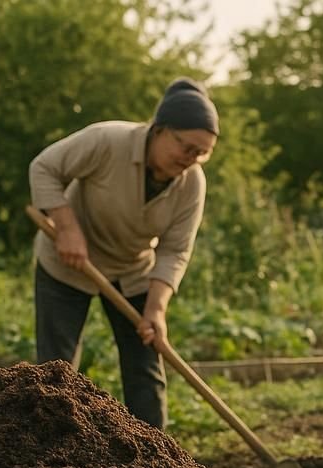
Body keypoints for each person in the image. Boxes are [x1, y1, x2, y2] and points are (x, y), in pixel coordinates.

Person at [30, 77, 218, 430]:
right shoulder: (107, 140)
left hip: (133, 269)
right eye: (186, 147)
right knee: (56, 367)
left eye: (201, 153)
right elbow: (44, 168)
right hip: (68, 261)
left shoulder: (192, 183)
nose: (191, 159)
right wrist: (67, 229)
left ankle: (156, 459)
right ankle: (51, 455)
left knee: (146, 366)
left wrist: (156, 308)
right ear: (160, 129)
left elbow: (176, 248)